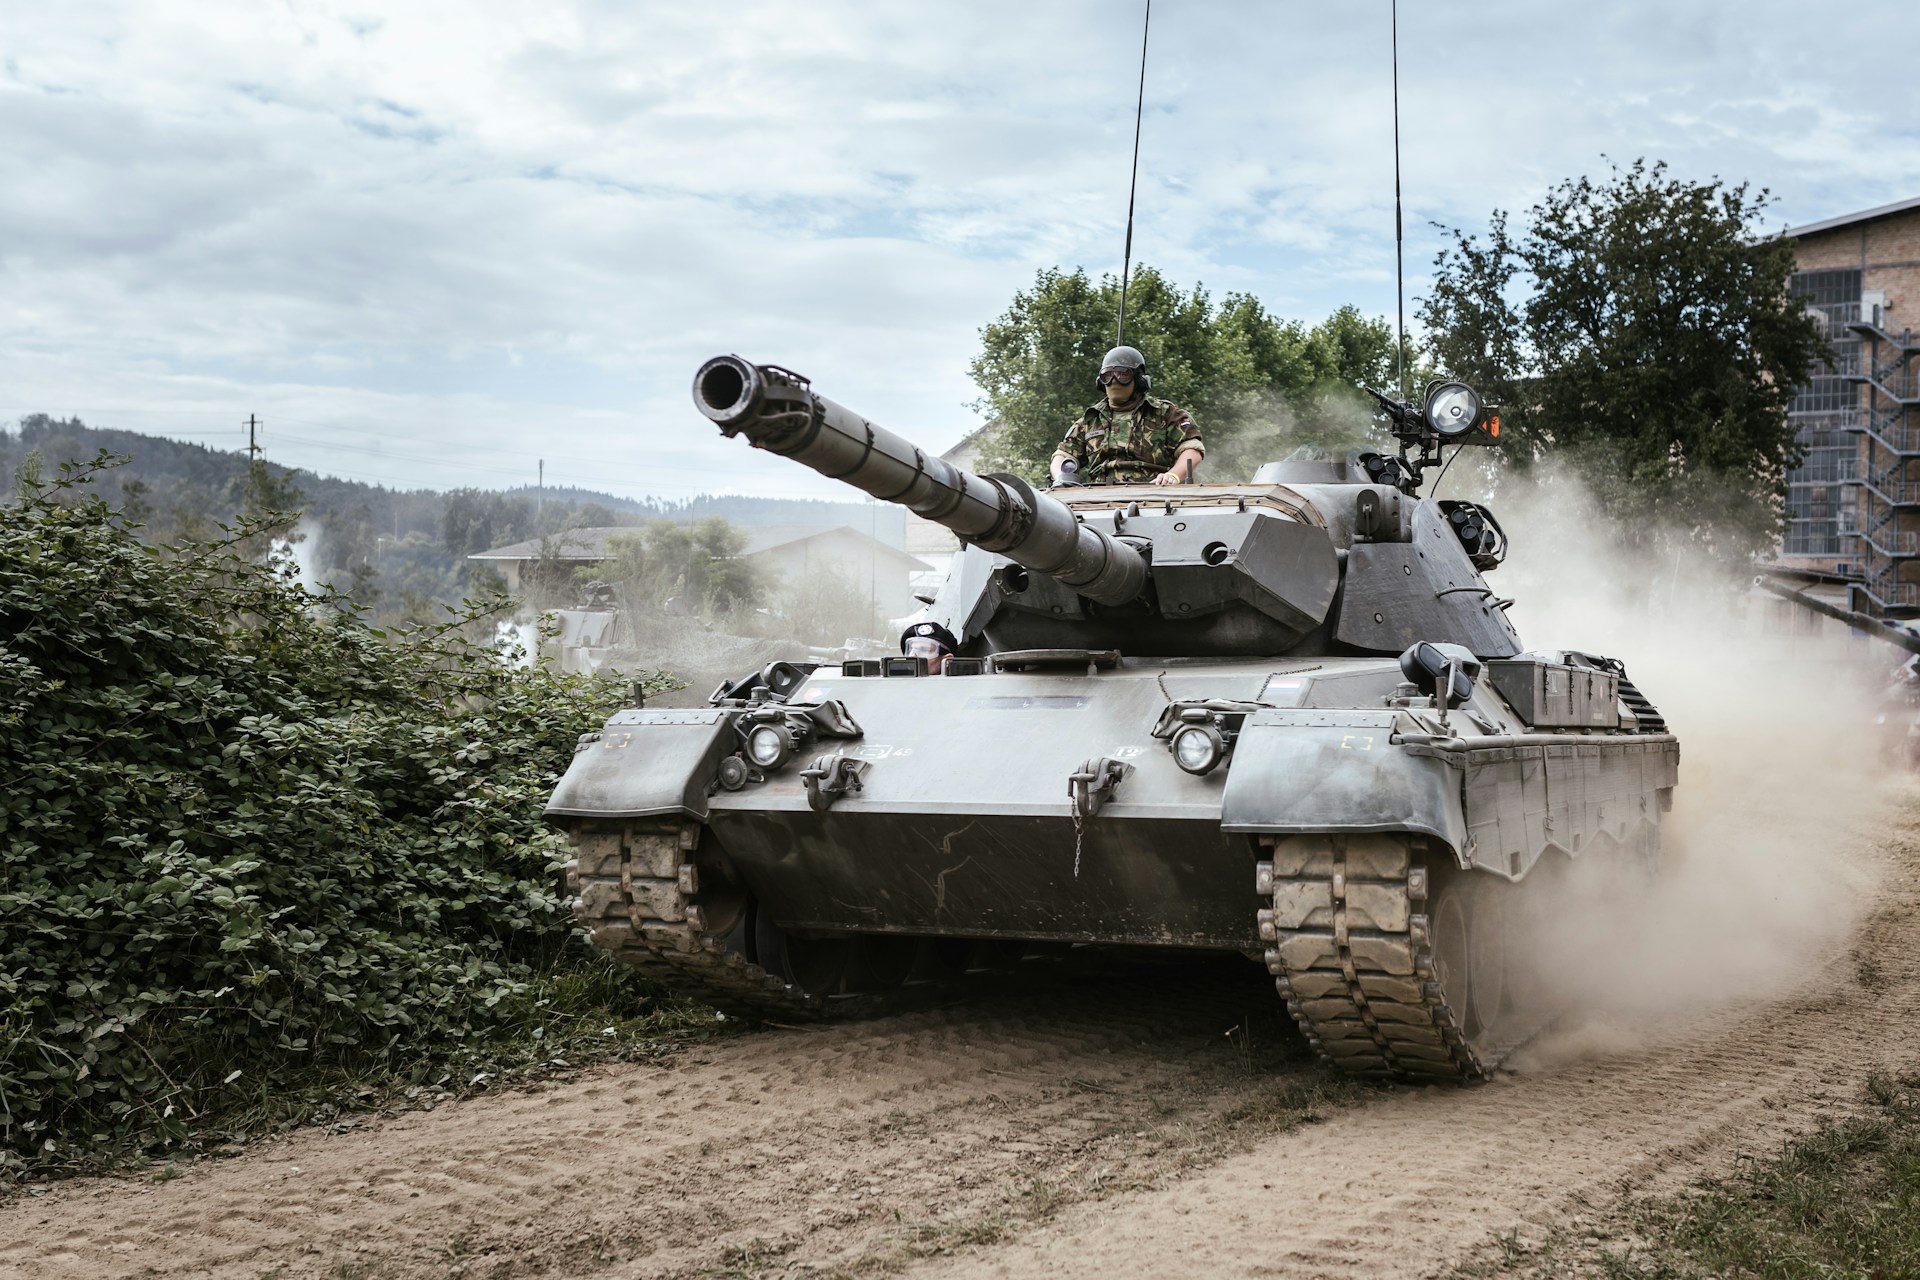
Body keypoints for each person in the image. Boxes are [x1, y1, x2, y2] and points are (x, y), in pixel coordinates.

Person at [1049, 345, 1204, 487]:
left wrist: (1173, 475)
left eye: (1122, 375)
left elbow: (1192, 450)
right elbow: (1063, 456)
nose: (1113, 381)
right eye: (1107, 376)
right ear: (1101, 382)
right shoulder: (1090, 420)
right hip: (1099, 497)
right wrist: (1061, 478)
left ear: (1139, 380)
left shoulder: (1165, 413)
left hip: (1154, 493)